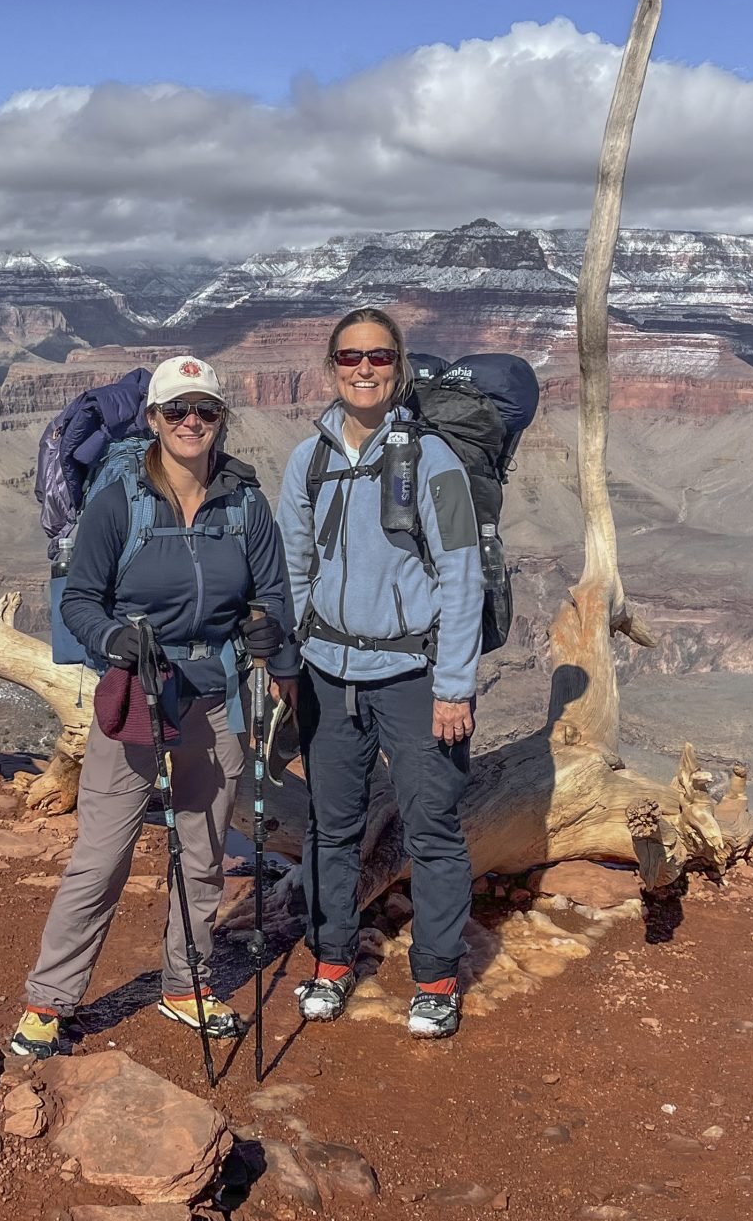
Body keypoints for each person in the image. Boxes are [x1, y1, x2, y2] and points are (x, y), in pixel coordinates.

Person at [10, 354, 299, 1059]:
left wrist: (272, 641)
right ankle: (50, 1001)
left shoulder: (246, 502)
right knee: (102, 856)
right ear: (153, 421)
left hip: (217, 694)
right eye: (177, 411)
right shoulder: (121, 503)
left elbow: (277, 594)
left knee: (201, 853)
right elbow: (80, 599)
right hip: (139, 692)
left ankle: (185, 982)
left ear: (221, 419)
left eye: (204, 410)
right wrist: (113, 635)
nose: (191, 422)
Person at [277, 307, 483, 1039]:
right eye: (350, 357)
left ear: (399, 367)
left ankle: (434, 978)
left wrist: (455, 683)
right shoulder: (309, 461)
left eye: (379, 357)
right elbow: (293, 565)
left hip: (414, 674)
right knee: (331, 828)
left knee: (432, 828)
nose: (364, 370)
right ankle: (331, 962)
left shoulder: (437, 464)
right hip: (329, 673)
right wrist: (294, 658)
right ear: (331, 366)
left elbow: (464, 577)